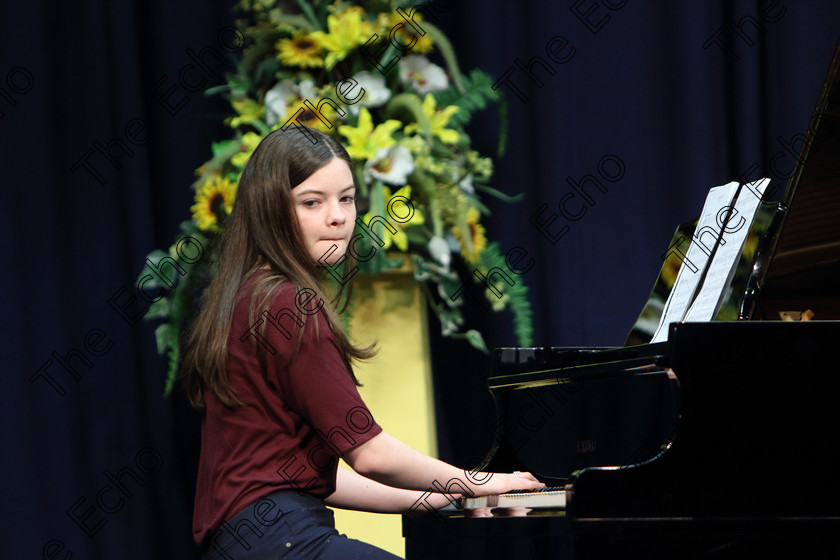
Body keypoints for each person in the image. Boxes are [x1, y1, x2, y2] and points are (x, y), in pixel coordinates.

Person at [181, 126, 543, 559]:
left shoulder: (247, 296)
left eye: (347, 198)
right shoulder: (288, 304)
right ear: (269, 210)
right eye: (312, 202)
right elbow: (369, 454)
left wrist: (447, 496)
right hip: (281, 541)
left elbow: (319, 478)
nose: (338, 217)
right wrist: (483, 482)